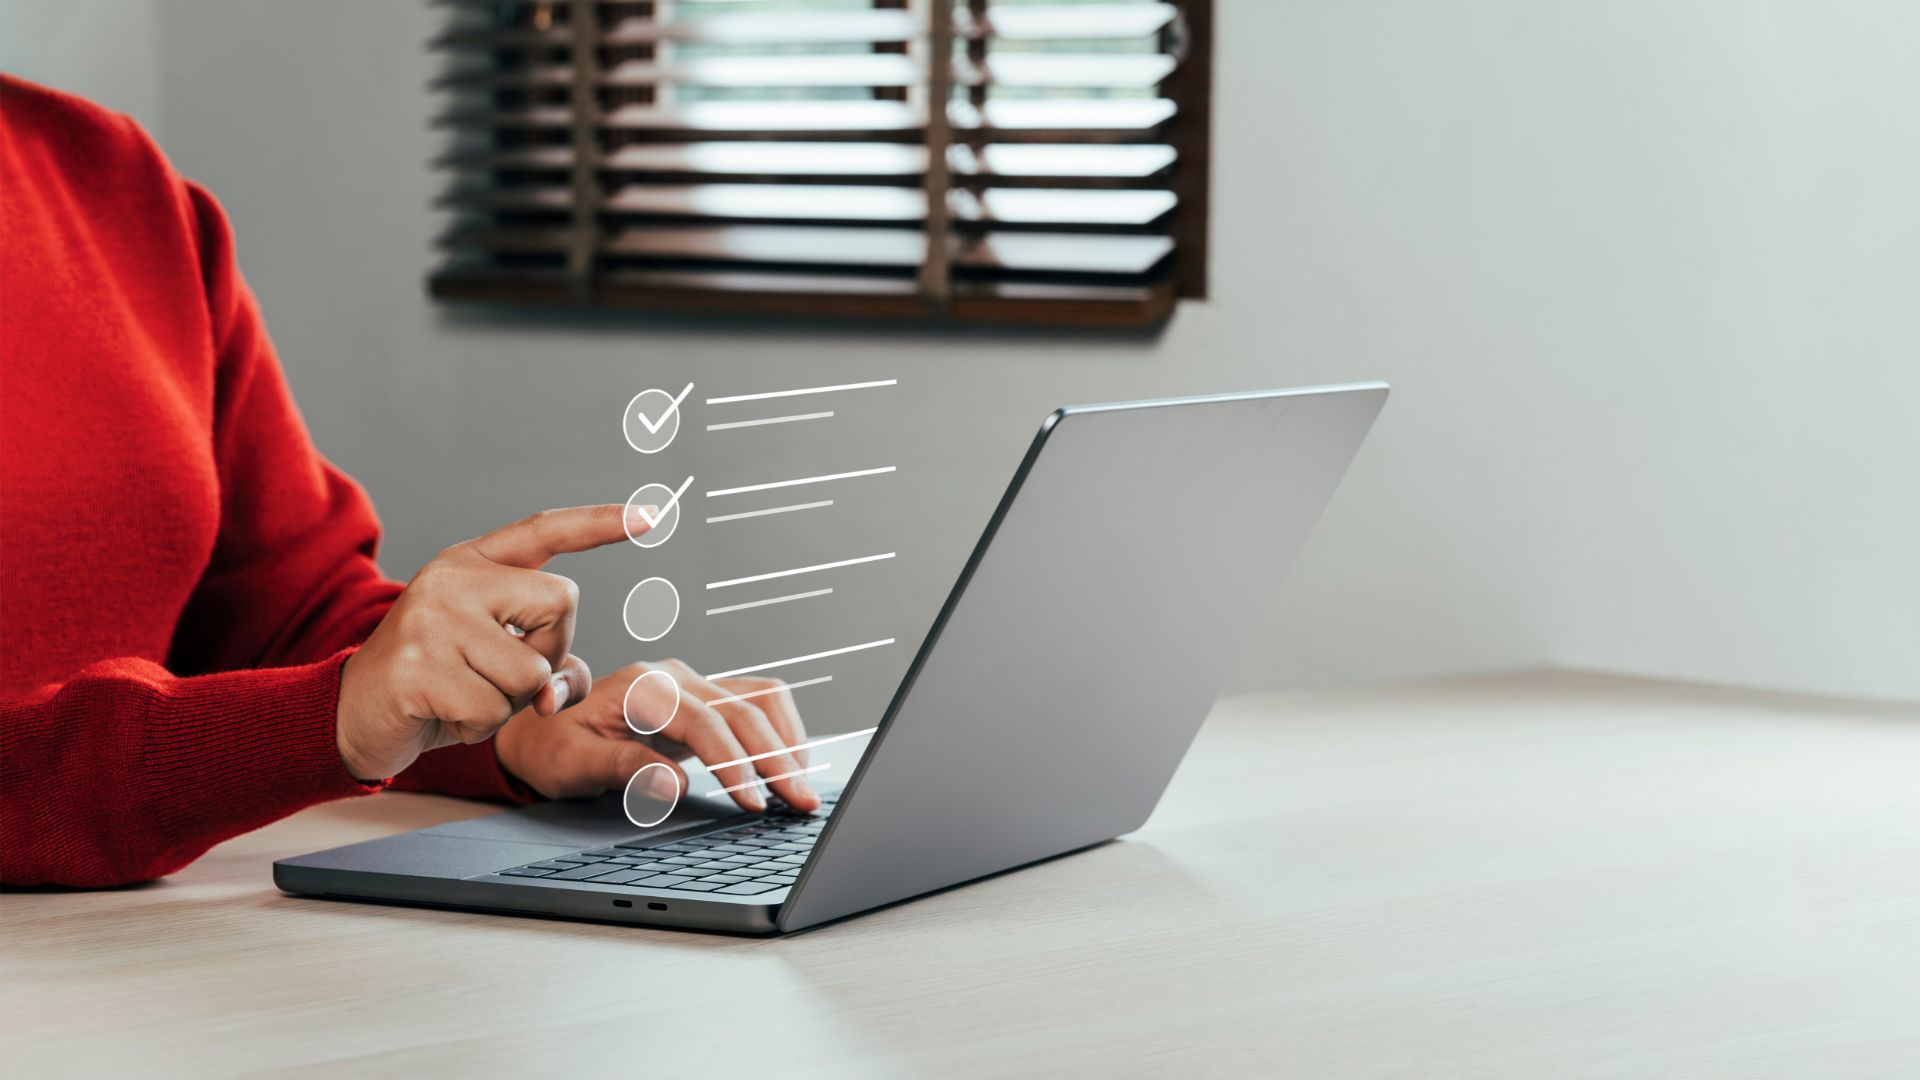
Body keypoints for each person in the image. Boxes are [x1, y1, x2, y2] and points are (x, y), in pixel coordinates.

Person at [0, 75, 816, 888]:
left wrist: (507, 724)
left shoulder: (111, 178)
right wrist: (328, 719)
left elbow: (286, 614)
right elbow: (321, 705)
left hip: (138, 964)